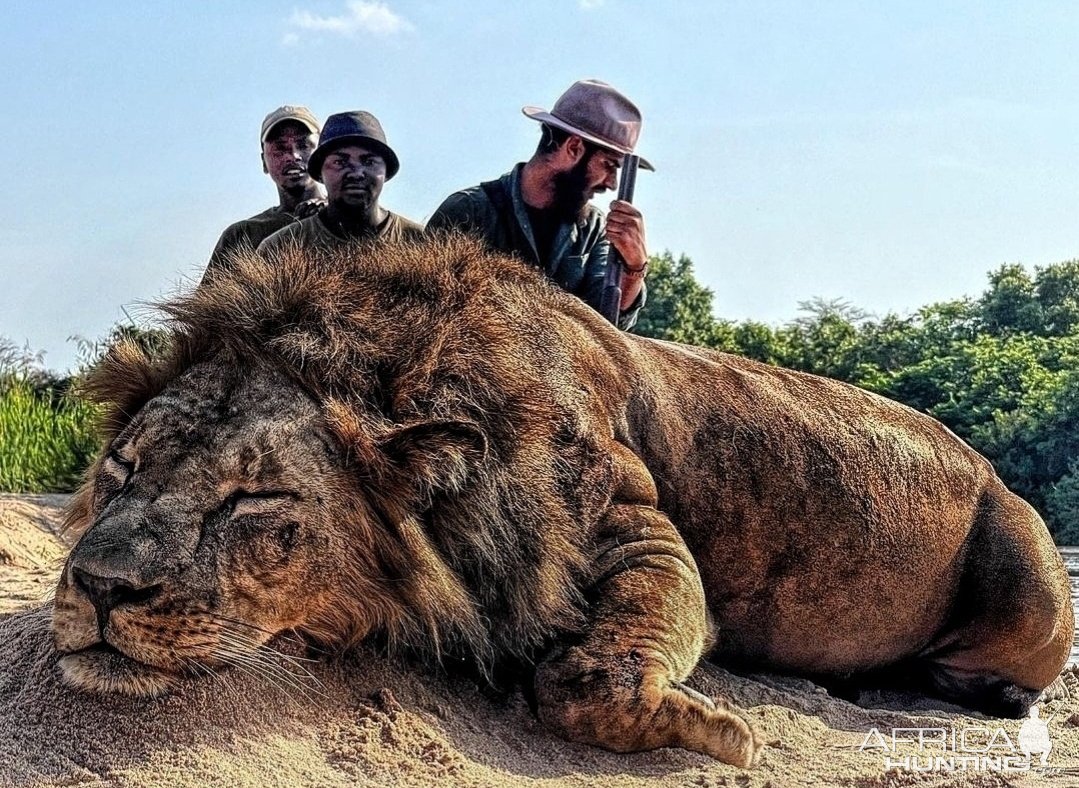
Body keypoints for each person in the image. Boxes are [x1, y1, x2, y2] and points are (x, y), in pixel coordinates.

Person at [426, 79, 652, 329]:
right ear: (574, 147)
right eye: (609, 165)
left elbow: (607, 327)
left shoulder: (596, 229)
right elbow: (423, 317)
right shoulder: (467, 212)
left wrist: (634, 267)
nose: (611, 184)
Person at [258, 111, 423, 255]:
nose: (356, 173)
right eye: (340, 162)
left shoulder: (422, 242)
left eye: (369, 161)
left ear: (386, 171)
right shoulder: (277, 249)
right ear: (320, 173)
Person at [202, 105, 325, 281]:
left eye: (304, 145)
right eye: (280, 149)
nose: (293, 156)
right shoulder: (242, 234)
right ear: (264, 162)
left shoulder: (351, 220)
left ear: (322, 153)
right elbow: (209, 305)